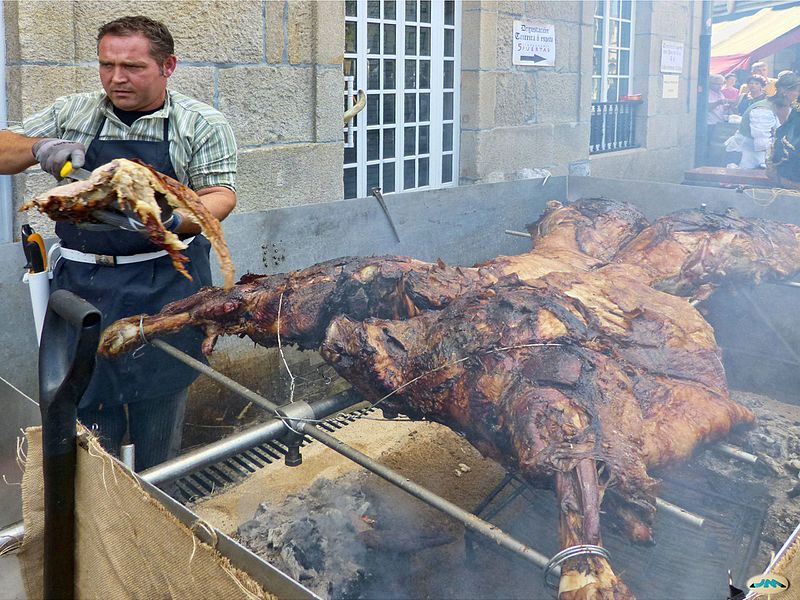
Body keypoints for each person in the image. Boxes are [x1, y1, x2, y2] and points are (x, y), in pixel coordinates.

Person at [0, 16, 237, 471]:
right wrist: (40, 148)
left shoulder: (200, 124)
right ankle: (102, 519)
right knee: (89, 424)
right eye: (106, 65)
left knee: (158, 419)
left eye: (132, 66)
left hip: (163, 285)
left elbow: (220, 195)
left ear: (168, 66)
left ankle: (158, 510)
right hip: (81, 287)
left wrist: (170, 220)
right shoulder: (75, 112)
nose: (116, 78)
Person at [725, 72, 800, 169]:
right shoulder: (763, 110)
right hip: (747, 159)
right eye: (798, 91)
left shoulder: (791, 109)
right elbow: (762, 143)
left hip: (773, 158)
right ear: (784, 91)